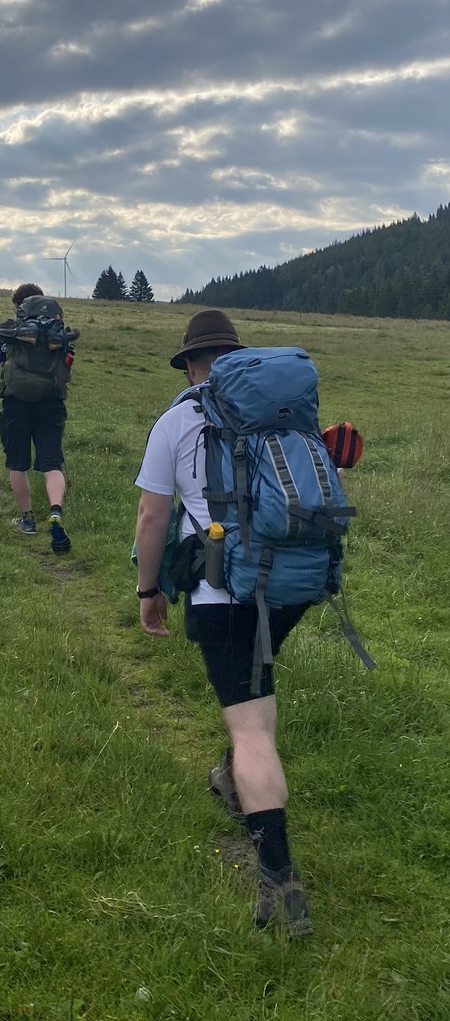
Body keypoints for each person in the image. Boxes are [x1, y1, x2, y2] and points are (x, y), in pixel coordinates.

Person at [133, 309, 314, 938]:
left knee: (252, 727)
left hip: (221, 591)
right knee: (253, 695)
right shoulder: (281, 413)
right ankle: (230, 777)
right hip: (291, 587)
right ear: (236, 358)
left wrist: (148, 589)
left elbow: (153, 518)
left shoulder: (177, 420)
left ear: (189, 364)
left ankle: (279, 875)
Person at [0, 283, 73, 553]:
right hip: (51, 404)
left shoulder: (8, 330)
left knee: (17, 463)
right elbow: (67, 375)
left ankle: (28, 520)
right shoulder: (57, 332)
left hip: (16, 404)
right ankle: (55, 511)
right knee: (52, 463)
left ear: (18, 306)